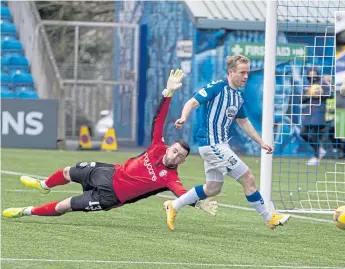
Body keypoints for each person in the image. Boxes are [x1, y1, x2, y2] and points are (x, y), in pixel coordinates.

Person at [2, 69, 218, 219]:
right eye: (175, 151)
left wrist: (198, 202)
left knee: (64, 206)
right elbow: (158, 118)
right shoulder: (157, 147)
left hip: (109, 196)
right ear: (169, 147)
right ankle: (44, 186)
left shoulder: (170, 178)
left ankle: (26, 210)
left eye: (181, 157)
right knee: (68, 171)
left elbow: (182, 193)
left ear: (182, 161)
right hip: (108, 172)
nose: (175, 156)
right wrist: (167, 92)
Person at [163, 55, 291, 231]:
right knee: (248, 178)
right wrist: (183, 117)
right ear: (231, 72)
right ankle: (269, 217)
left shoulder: (238, 97)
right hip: (212, 145)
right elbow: (192, 102)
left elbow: (243, 121)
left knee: (213, 188)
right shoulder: (217, 87)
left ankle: (174, 205)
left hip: (220, 146)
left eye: (247, 73)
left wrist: (260, 142)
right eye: (242, 72)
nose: (246, 76)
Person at [299, 68, 331, 165]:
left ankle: (316, 157)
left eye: (314, 74)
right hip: (309, 114)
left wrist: (320, 94)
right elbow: (302, 99)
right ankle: (319, 150)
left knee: (314, 135)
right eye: (310, 74)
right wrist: (309, 94)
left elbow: (330, 95)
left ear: (317, 74)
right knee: (303, 133)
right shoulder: (307, 85)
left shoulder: (323, 83)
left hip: (319, 113)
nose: (312, 76)